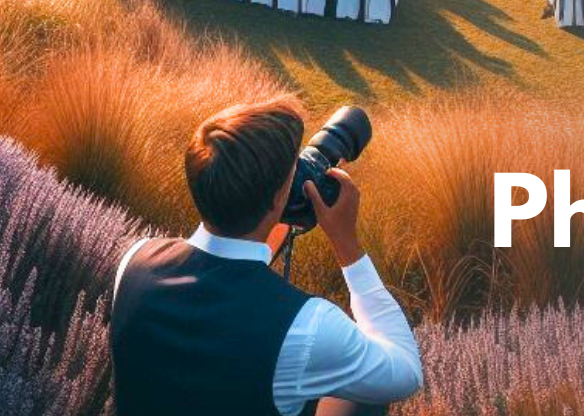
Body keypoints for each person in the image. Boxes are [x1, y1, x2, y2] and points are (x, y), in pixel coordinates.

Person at [110, 98, 423, 416]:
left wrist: (275, 210)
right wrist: (346, 243)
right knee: (363, 401)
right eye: (294, 172)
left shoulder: (134, 262)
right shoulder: (307, 327)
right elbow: (407, 371)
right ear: (279, 198)